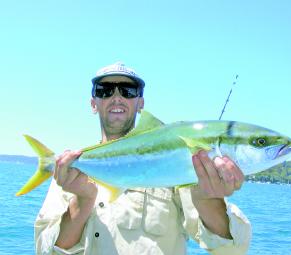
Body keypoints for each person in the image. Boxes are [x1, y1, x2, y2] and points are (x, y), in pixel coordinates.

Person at [35, 62, 251, 255]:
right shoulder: (69, 172)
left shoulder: (179, 166)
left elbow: (231, 250)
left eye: (128, 91)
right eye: (105, 90)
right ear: (94, 103)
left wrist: (209, 200)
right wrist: (81, 204)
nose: (117, 97)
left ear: (141, 103)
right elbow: (45, 250)